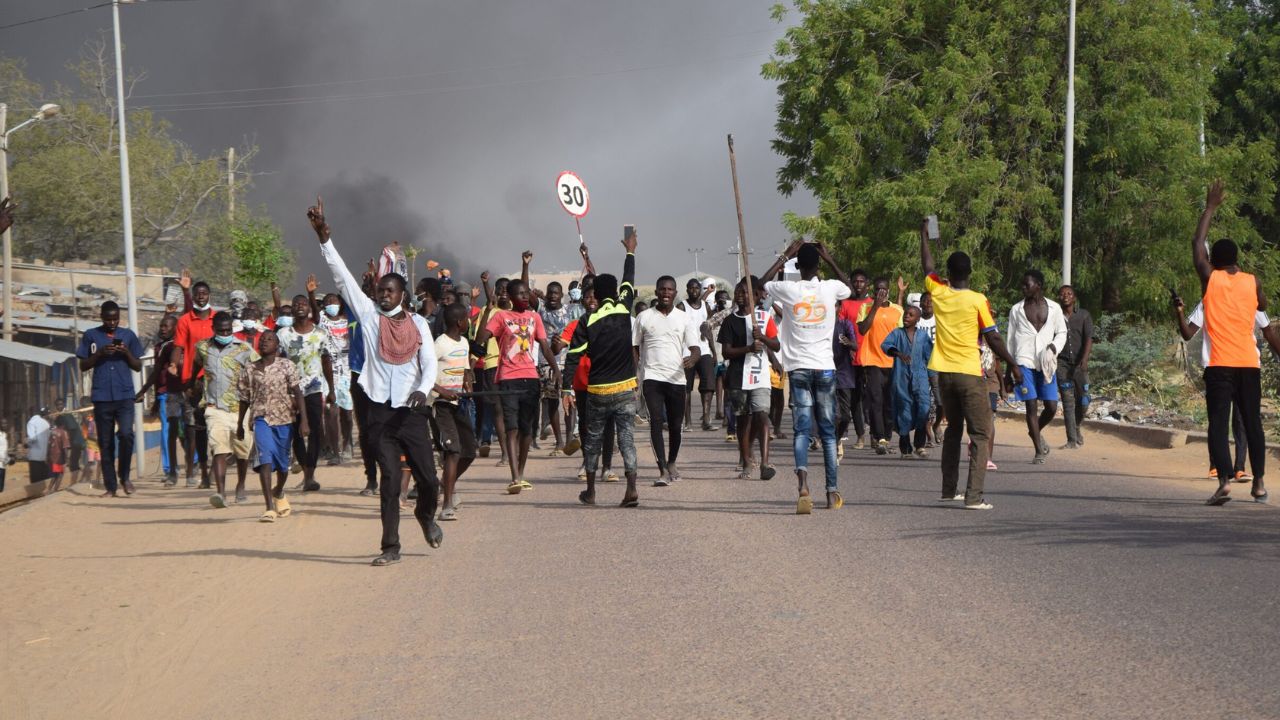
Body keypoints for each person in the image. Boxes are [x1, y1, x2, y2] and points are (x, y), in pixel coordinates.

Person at [313, 197, 443, 567]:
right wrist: (325, 240)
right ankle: (390, 546)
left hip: (412, 411)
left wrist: (422, 389)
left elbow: (429, 364)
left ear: (403, 294)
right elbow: (343, 279)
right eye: (380, 291)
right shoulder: (369, 318)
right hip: (379, 415)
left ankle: (425, 515)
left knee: (428, 480)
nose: (383, 295)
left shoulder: (418, 325)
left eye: (390, 291)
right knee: (388, 481)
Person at [920, 218, 1021, 509]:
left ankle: (949, 490)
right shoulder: (978, 300)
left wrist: (923, 235)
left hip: (944, 374)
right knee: (980, 432)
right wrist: (1012, 364)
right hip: (969, 374)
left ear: (948, 274)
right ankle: (973, 497)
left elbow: (928, 267)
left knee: (953, 430)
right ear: (970, 273)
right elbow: (993, 337)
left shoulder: (938, 292)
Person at [1190, 181, 1280, 505]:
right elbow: (1265, 316)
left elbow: (1197, 242)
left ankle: (1225, 482)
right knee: (1253, 423)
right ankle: (1258, 484)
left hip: (1219, 365)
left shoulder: (1209, 279)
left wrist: (1210, 207)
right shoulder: (1253, 282)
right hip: (1248, 363)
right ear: (1237, 259)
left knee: (1218, 423)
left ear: (1213, 260)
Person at [760, 240, 852, 513]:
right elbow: (848, 286)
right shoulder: (831, 288)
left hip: (798, 368)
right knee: (827, 432)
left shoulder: (789, 290)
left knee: (801, 430)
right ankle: (832, 491)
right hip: (824, 367)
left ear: (797, 266)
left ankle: (803, 486)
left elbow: (761, 283)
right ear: (820, 264)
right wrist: (830, 257)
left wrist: (785, 255)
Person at [568, 229, 640, 507]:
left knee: (593, 440)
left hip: (597, 390)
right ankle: (631, 488)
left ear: (595, 295)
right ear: (617, 293)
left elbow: (573, 357)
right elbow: (629, 279)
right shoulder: (625, 309)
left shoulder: (588, 320)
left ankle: (590, 491)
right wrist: (630, 251)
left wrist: (565, 386)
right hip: (625, 389)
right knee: (627, 440)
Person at [475, 266, 560, 494]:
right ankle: (514, 477)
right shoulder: (502, 317)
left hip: (530, 378)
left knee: (526, 430)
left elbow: (544, 345)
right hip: (507, 379)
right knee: (511, 428)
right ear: (511, 298)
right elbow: (481, 339)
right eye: (521, 294)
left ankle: (521, 473)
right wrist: (487, 311)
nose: (525, 297)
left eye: (526, 293)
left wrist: (557, 371)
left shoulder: (535, 318)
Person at [1173, 295, 1257, 482]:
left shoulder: (1246, 298)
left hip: (1243, 365)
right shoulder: (1207, 302)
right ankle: (1216, 466)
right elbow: (1188, 334)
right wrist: (1179, 312)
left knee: (1241, 419)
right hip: (1217, 367)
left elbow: (1265, 327)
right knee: (1218, 419)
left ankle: (1239, 468)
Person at [633, 274, 701, 485]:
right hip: (652, 377)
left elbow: (695, 347)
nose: (665, 293)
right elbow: (634, 346)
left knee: (675, 425)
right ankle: (662, 468)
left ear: (675, 293)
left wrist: (693, 358)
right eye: (662, 289)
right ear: (656, 292)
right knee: (656, 421)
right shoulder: (643, 317)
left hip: (676, 378)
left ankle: (672, 462)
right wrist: (637, 371)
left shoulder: (683, 318)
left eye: (670, 290)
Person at [237, 329, 306, 522]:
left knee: (283, 466)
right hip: (261, 419)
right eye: (263, 339)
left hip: (285, 420)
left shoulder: (287, 366)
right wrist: (240, 424)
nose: (265, 342)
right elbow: (244, 398)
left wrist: (304, 421)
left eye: (270, 339)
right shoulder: (249, 369)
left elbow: (298, 393)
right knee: (265, 459)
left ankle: (279, 490)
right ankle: (268, 508)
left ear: (277, 345)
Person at [76, 301, 144, 497]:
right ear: (102, 318)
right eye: (108, 319)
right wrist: (98, 355)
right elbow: (83, 366)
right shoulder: (91, 335)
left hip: (124, 395)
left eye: (115, 319)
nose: (112, 322)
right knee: (105, 443)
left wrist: (126, 353)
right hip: (102, 396)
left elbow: (138, 366)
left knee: (125, 434)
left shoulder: (128, 335)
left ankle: (125, 477)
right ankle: (110, 487)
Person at [192, 312, 257, 507]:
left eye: (228, 330)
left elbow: (257, 372)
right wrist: (192, 386)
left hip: (240, 408)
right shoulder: (203, 347)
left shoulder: (245, 349)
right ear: (214, 330)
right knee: (218, 449)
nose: (225, 333)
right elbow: (196, 367)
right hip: (214, 407)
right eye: (221, 331)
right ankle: (220, 492)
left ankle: (241, 485)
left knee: (242, 451)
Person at [718, 275, 780, 480]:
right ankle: (746, 460)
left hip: (760, 376)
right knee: (743, 422)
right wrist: (748, 348)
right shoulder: (729, 321)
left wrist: (762, 337)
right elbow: (726, 352)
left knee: (762, 415)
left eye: (745, 292)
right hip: (737, 378)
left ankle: (764, 462)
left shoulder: (763, 317)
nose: (741, 296)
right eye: (738, 292)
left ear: (754, 296)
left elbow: (776, 344)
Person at [1006, 270, 1067, 464]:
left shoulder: (1055, 308)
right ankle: (1039, 451)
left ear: (1038, 285)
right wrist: (1010, 369)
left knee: (1051, 407)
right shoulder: (1016, 310)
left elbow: (1062, 333)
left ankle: (1035, 431)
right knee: (1031, 405)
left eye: (1027, 285)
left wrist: (1054, 347)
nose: (1023, 288)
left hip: (1046, 362)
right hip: (1023, 361)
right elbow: (1010, 341)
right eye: (1022, 285)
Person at [276, 291, 334, 492]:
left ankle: (310, 474)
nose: (300, 305)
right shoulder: (283, 335)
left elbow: (326, 361)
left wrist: (332, 389)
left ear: (309, 308)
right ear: (291, 309)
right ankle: (305, 467)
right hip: (290, 392)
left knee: (316, 431)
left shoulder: (320, 334)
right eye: (296, 303)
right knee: (295, 432)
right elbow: (276, 363)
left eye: (303, 303)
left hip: (314, 389)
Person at [432, 303, 477, 520]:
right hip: (441, 406)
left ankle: (446, 483)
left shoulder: (465, 342)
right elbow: (424, 372)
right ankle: (447, 504)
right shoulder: (440, 344)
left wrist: (468, 383)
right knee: (453, 452)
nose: (468, 322)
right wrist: (442, 391)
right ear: (460, 323)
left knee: (469, 451)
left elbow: (465, 369)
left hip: (460, 405)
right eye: (467, 319)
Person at [173, 278, 215, 487]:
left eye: (204, 293)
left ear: (209, 295)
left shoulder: (218, 320)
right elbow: (179, 347)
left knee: (216, 427)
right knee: (194, 429)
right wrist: (174, 365)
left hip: (215, 382)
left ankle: (216, 471)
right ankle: (198, 471)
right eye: (197, 293)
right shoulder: (184, 321)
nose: (201, 296)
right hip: (191, 383)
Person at [856, 277, 904, 455]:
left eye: (883, 290)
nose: (880, 293)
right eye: (877, 290)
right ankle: (880, 437)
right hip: (873, 361)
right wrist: (875, 306)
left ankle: (887, 436)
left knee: (890, 403)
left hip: (892, 362)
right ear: (873, 291)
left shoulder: (897, 310)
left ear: (888, 292)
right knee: (876, 401)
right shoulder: (865, 308)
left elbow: (901, 336)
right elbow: (862, 330)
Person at [136, 314, 185, 486]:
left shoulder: (179, 346)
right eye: (161, 326)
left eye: (167, 326)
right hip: (166, 393)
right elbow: (156, 373)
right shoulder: (160, 347)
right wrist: (152, 395)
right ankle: (169, 468)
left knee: (186, 429)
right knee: (167, 430)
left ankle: (194, 462)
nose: (162, 329)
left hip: (183, 393)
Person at [882, 305, 935, 458]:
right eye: (906, 314)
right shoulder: (897, 334)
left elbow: (929, 358)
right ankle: (905, 448)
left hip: (921, 380)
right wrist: (898, 353)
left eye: (911, 315)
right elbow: (885, 346)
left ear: (917, 319)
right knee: (904, 413)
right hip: (901, 379)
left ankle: (919, 445)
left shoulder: (923, 336)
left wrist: (933, 380)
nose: (907, 317)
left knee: (924, 410)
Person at [314, 282, 356, 464]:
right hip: (326, 370)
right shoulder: (321, 318)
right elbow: (314, 314)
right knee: (329, 410)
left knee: (347, 412)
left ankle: (348, 443)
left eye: (335, 300)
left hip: (347, 370)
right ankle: (334, 449)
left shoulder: (348, 318)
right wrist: (311, 293)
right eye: (328, 301)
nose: (332, 303)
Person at [534, 274, 570, 455]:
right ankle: (559, 441)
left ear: (561, 295)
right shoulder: (541, 310)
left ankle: (570, 438)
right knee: (552, 402)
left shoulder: (569, 311)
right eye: (550, 293)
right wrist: (526, 265)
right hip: (546, 363)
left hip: (567, 361)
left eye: (556, 293)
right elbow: (524, 289)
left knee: (570, 401)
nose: (553, 296)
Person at [837, 269, 872, 449]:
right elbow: (841, 329)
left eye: (861, 281)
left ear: (867, 284)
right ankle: (860, 435)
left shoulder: (873, 304)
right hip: (850, 359)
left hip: (871, 357)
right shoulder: (845, 305)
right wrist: (847, 347)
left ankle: (878, 435)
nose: (858, 285)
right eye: (855, 281)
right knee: (854, 398)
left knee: (873, 398)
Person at [679, 277, 718, 432]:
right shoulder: (682, 306)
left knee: (708, 385)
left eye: (696, 288)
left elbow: (708, 329)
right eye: (691, 288)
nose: (694, 290)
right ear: (687, 290)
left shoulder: (705, 306)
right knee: (686, 388)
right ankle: (688, 422)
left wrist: (714, 351)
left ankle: (706, 419)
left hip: (704, 350)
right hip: (687, 351)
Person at [1056, 285, 1093, 449]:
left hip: (1080, 364)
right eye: (1062, 294)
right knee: (1068, 402)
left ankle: (1077, 426)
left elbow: (1088, 339)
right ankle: (1071, 440)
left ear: (1074, 298)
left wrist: (1084, 360)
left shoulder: (1084, 315)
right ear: (1058, 297)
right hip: (1062, 364)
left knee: (1084, 400)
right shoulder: (1055, 317)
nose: (1066, 296)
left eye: (1069, 293)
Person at [53, 400, 86, 486]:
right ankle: (77, 480)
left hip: (76, 441)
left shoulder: (66, 414)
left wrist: (66, 440)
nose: (59, 406)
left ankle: (77, 482)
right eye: (57, 405)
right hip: (74, 441)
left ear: (63, 404)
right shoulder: (61, 415)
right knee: (74, 462)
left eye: (60, 404)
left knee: (73, 462)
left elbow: (71, 428)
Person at [25, 407, 51, 484]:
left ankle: (36, 495)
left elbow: (33, 438)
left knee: (35, 480)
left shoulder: (31, 422)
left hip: (34, 456)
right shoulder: (46, 423)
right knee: (42, 479)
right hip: (43, 455)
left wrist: (26, 443)